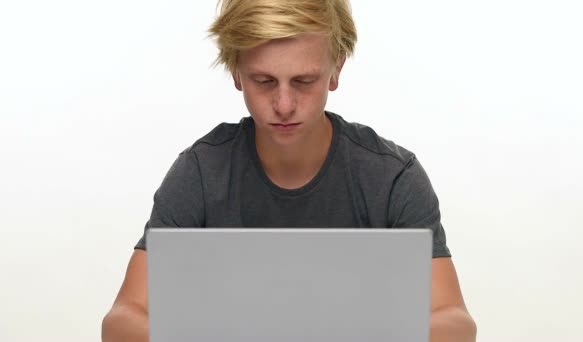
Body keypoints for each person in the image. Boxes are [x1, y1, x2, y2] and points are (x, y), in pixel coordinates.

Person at [101, 0, 477, 341]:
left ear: (336, 70)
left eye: (304, 81)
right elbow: (123, 318)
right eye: (264, 81)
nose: (283, 104)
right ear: (236, 72)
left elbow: (453, 319)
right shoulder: (201, 172)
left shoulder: (392, 177)